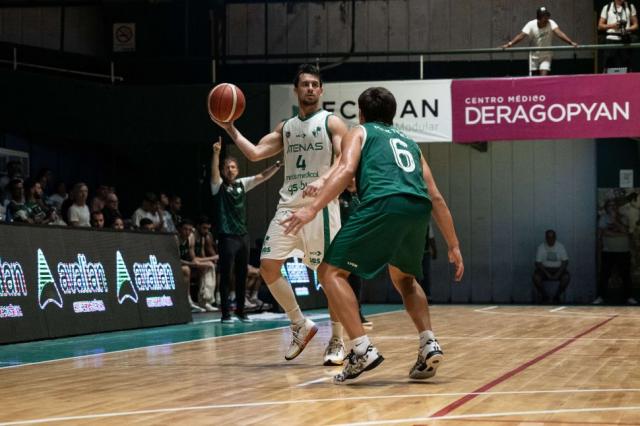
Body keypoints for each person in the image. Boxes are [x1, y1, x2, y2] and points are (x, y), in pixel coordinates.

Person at [282, 86, 464, 384]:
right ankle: (428, 342)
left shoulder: (359, 132)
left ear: (361, 113)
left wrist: (311, 209)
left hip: (383, 202)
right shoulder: (410, 143)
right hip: (417, 208)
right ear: (392, 114)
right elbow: (436, 196)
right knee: (405, 279)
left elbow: (345, 170)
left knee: (329, 272)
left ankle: (361, 349)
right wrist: (453, 245)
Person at [213, 63, 350, 362]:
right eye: (305, 84)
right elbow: (255, 153)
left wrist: (324, 180)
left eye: (314, 84)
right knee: (268, 266)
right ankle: (300, 324)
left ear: (321, 90)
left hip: (320, 208)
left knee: (329, 277)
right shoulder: (286, 127)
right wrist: (230, 128)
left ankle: (337, 341)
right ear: (296, 89)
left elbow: (344, 159)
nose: (310, 88)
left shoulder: (332, 123)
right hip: (288, 206)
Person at [210, 139, 281, 323]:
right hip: (227, 237)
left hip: (243, 237)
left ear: (238, 170)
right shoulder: (218, 186)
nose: (230, 170)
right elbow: (214, 173)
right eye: (227, 167)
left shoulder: (242, 184)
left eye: (233, 167)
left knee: (242, 275)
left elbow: (262, 176)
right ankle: (226, 314)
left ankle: (241, 311)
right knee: (226, 276)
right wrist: (216, 153)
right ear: (222, 170)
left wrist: (276, 166)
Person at [501, 6, 578, 76]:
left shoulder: (551, 23)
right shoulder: (531, 24)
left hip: (546, 55)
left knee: (543, 77)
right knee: (534, 79)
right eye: (544, 17)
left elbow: (559, 33)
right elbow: (521, 36)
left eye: (547, 16)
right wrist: (509, 44)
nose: (546, 19)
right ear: (538, 18)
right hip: (534, 56)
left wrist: (571, 42)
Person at [339, 180, 372, 328]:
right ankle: (342, 316)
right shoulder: (338, 197)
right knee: (338, 280)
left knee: (356, 281)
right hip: (339, 244)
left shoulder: (361, 197)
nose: (350, 180)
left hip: (357, 245)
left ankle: (357, 313)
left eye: (353, 177)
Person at [595, 199, 638, 305]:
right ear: (606, 208)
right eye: (610, 205)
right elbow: (603, 233)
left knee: (625, 275)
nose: (612, 207)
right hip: (608, 251)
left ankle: (629, 297)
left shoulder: (624, 217)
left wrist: (614, 221)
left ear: (617, 207)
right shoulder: (603, 218)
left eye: (614, 205)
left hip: (623, 251)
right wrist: (621, 233)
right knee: (605, 275)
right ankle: (600, 297)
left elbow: (626, 231)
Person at [598, 0, 638, 71]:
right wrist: (612, 26)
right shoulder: (607, 7)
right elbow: (600, 26)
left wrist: (626, 29)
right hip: (611, 40)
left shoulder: (630, 6)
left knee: (626, 67)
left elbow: (636, 25)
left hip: (625, 40)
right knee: (609, 67)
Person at [532, 229, 570, 304]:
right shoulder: (541, 247)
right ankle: (545, 297)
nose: (550, 240)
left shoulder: (560, 246)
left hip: (558, 269)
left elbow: (565, 262)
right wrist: (547, 274)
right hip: (544, 269)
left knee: (566, 277)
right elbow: (538, 263)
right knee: (536, 277)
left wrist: (558, 274)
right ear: (546, 238)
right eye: (548, 238)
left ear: (555, 238)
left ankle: (557, 297)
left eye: (552, 238)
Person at [420, 223, 438, 298]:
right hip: (419, 253)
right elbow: (431, 238)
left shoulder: (427, 223)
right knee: (423, 274)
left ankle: (425, 295)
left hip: (423, 252)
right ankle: (423, 294)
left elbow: (431, 238)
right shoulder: (426, 223)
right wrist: (434, 250)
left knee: (424, 274)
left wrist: (434, 250)